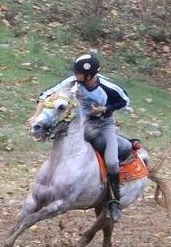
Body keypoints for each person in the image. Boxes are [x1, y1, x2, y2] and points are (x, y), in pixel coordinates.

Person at [27, 53, 130, 221]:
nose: (76, 75)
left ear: (89, 75)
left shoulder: (106, 86)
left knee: (111, 162)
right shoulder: (72, 82)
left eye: (79, 73)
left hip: (104, 125)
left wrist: (105, 109)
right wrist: (35, 116)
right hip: (79, 124)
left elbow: (124, 100)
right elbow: (45, 95)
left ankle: (114, 201)